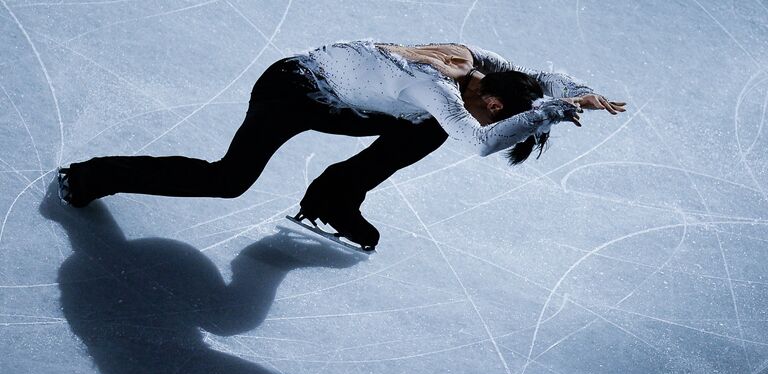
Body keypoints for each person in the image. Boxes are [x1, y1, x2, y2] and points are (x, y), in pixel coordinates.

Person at [58, 40, 626, 250]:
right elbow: (479, 143)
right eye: (504, 117)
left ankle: (333, 197)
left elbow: (542, 81)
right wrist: (551, 110)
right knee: (228, 179)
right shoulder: (436, 85)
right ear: (495, 104)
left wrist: (583, 95)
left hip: (356, 106)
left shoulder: (485, 71)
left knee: (425, 130)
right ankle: (90, 175)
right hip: (295, 90)